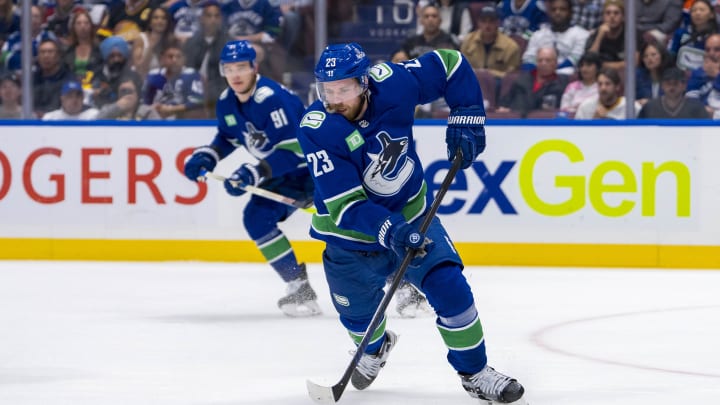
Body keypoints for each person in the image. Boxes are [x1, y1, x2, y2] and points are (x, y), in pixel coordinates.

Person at [296, 42, 526, 403]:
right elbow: (347, 206)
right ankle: (375, 348)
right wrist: (392, 231)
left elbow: (450, 64)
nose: (335, 99)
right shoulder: (318, 129)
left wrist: (466, 112)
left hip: (411, 213)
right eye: (328, 90)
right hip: (350, 239)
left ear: (365, 82)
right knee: (359, 320)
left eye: (345, 89)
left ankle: (476, 373)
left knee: (452, 290)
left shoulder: (394, 82)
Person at [183, 40, 321, 317]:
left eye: (241, 67)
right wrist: (208, 156)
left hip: (317, 171)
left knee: (351, 225)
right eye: (229, 68)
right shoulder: (226, 102)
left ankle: (403, 283)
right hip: (282, 176)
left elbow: (298, 150)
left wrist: (254, 172)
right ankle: (299, 286)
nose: (235, 75)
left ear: (254, 68)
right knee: (256, 218)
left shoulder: (271, 98)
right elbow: (227, 136)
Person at [637, 67, 710, 118]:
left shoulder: (696, 107)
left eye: (675, 83)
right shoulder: (650, 107)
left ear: (684, 85)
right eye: (668, 83)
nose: (672, 87)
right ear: (662, 85)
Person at [574, 67, 640, 119]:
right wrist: (593, 123)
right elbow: (577, 133)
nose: (603, 88)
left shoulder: (632, 106)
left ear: (617, 86)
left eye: (607, 84)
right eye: (600, 84)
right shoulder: (585, 107)